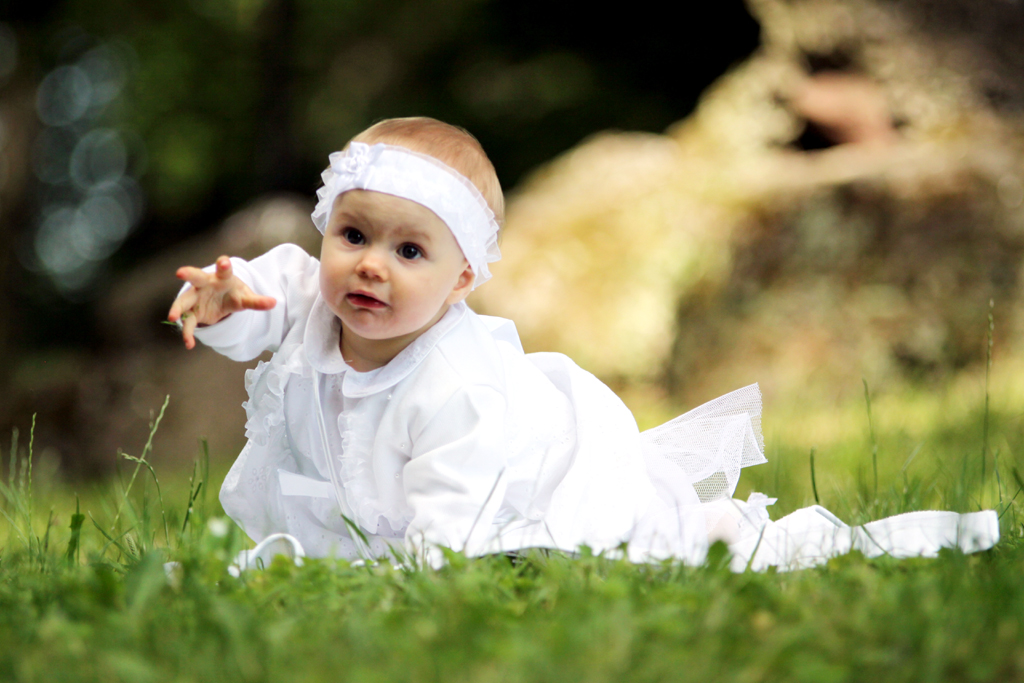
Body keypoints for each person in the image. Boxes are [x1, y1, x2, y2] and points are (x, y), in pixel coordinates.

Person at [169, 117, 998, 570]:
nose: (371, 267)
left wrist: (408, 574)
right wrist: (223, 301)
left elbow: (451, 513)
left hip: (527, 477)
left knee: (647, 540)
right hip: (390, 484)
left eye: (410, 251)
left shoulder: (457, 385)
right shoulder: (318, 288)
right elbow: (263, 302)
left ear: (462, 281)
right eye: (354, 233)